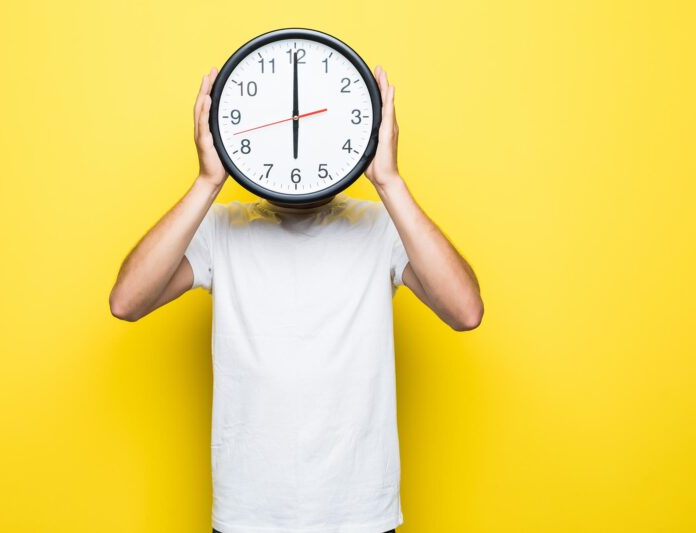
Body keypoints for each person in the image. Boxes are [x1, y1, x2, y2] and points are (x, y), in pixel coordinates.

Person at [109, 64, 484, 533]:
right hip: (248, 518)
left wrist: (389, 181)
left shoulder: (380, 227)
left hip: (361, 518)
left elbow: (465, 310)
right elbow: (127, 301)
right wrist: (207, 181)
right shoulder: (224, 229)